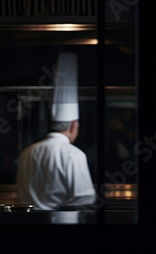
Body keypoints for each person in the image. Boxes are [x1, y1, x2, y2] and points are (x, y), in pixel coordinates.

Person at [17, 53, 96, 210]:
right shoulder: (74, 155)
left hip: (29, 222)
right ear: (73, 125)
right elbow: (84, 199)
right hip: (60, 223)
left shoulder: (27, 152)